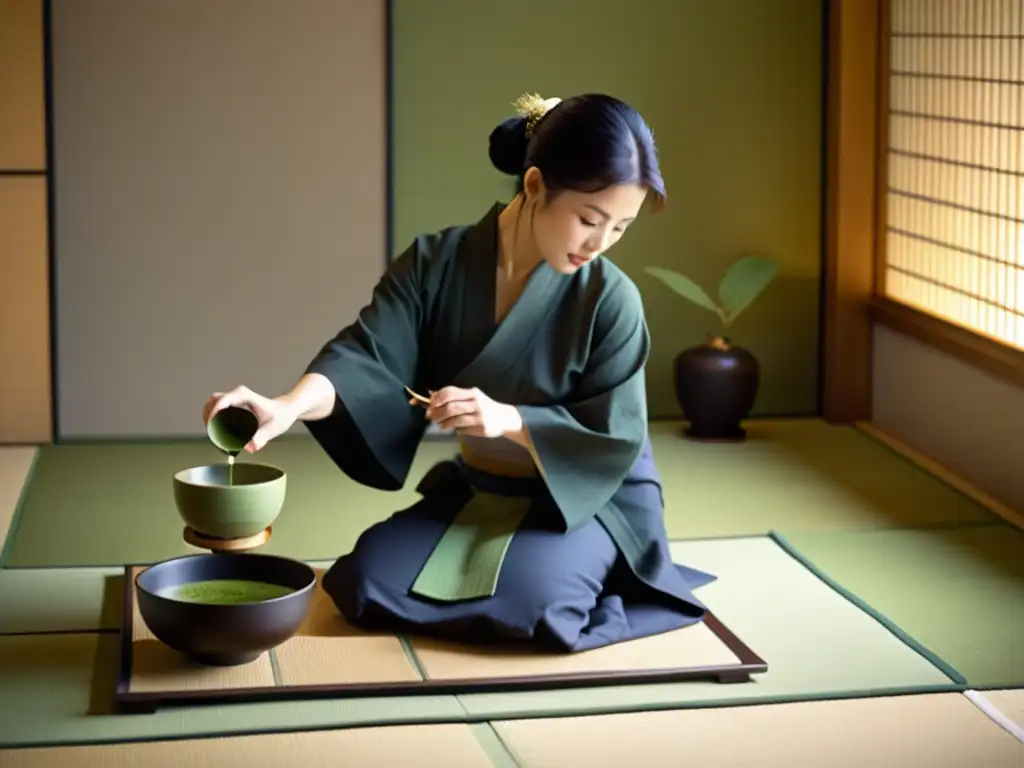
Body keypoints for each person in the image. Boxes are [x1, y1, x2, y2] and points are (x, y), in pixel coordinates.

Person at [203, 92, 716, 652]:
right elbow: (366, 355)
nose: (600, 245)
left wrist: (508, 419)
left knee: (538, 608)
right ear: (535, 185)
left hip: (587, 498)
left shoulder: (611, 299)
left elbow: (614, 437)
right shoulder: (436, 263)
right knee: (363, 583)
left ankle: (592, 569)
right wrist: (287, 407)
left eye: (620, 228)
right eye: (590, 220)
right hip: (482, 488)